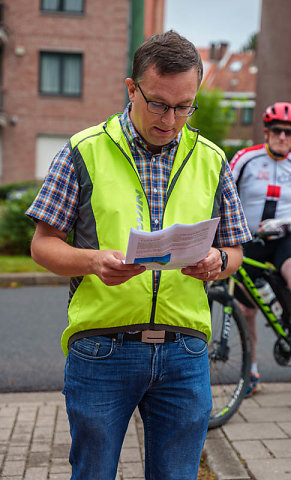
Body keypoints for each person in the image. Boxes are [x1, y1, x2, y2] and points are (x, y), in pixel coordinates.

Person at [26, 30, 251, 480]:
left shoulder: (211, 159)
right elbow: (42, 245)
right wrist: (93, 261)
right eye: (159, 104)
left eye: (185, 105)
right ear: (132, 88)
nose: (172, 119)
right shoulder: (83, 151)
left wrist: (215, 262)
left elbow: (235, 251)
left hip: (185, 351)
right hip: (100, 349)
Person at [230, 102, 291, 396]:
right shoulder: (247, 158)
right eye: (278, 131)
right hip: (249, 240)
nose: (283, 137)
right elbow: (223, 191)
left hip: (284, 239)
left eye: (289, 133)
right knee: (246, 309)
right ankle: (251, 370)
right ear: (266, 132)